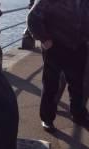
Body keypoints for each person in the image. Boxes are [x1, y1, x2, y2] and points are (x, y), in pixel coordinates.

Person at [27, 0, 89, 132]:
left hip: (79, 46)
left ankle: (78, 114)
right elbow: (33, 17)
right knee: (51, 84)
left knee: (78, 84)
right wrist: (43, 38)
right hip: (56, 46)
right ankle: (47, 118)